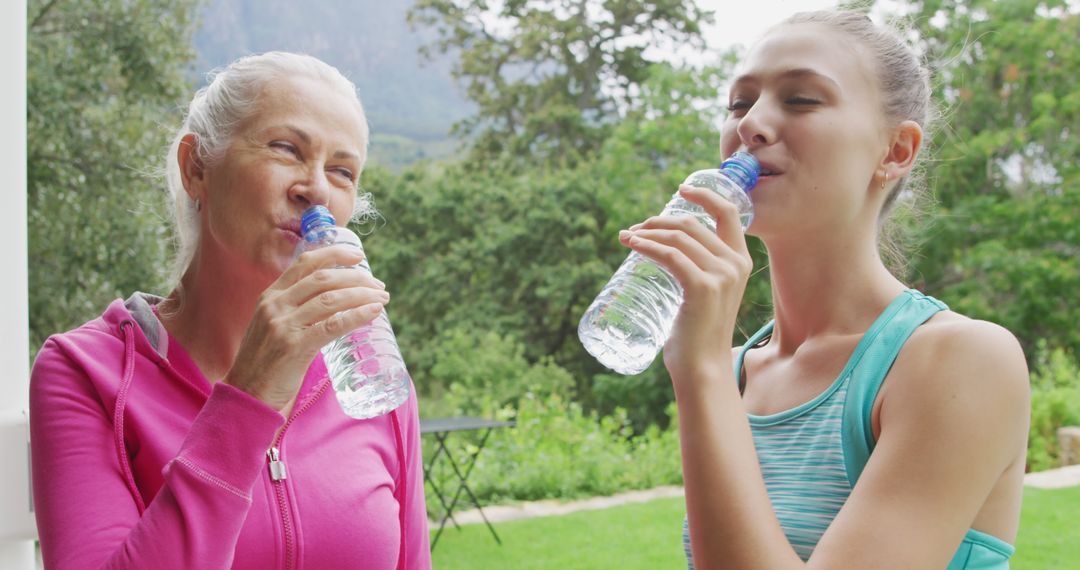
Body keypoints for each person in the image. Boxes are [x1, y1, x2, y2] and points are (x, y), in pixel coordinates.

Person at [617, 10, 1030, 569]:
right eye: (739, 104)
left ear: (896, 151)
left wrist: (701, 369)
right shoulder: (738, 370)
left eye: (802, 99)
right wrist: (710, 367)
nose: (750, 125)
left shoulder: (961, 361)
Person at [30, 52, 431, 569]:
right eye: (287, 149)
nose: (316, 189)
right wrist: (250, 396)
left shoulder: (370, 380)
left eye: (341, 171)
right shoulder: (85, 373)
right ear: (197, 168)